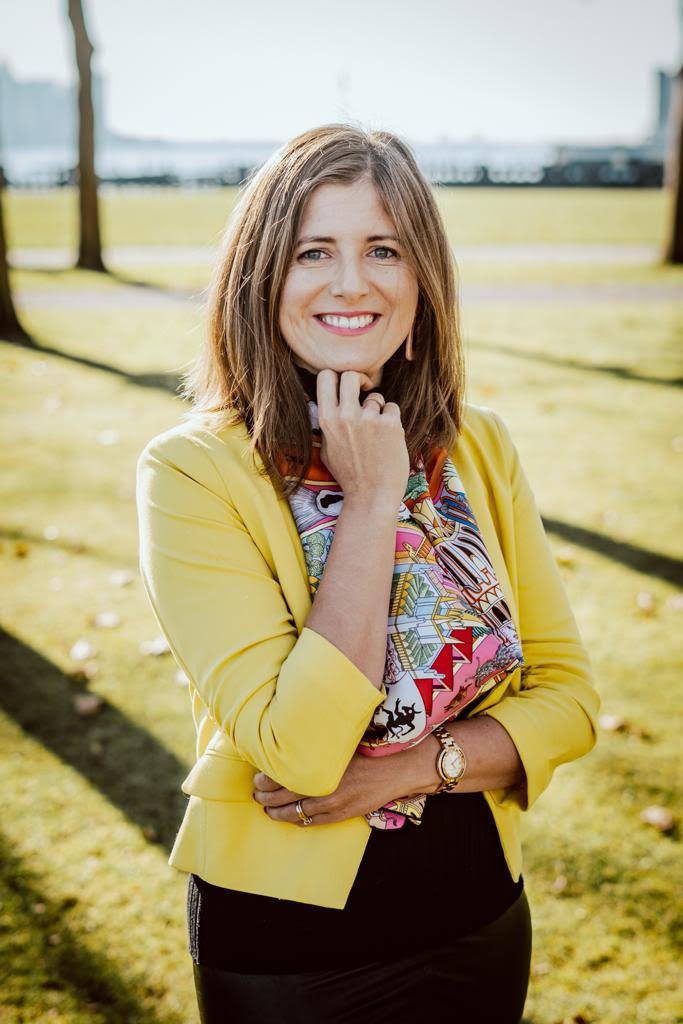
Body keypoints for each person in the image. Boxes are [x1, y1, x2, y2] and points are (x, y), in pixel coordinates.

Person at [136, 124, 601, 1024]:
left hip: (481, 920)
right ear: (261, 278)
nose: (351, 283)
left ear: (422, 279)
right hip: (290, 955)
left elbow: (570, 701)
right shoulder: (192, 472)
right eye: (313, 251)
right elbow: (301, 753)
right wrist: (373, 496)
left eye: (383, 249)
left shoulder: (477, 444)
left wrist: (410, 769)